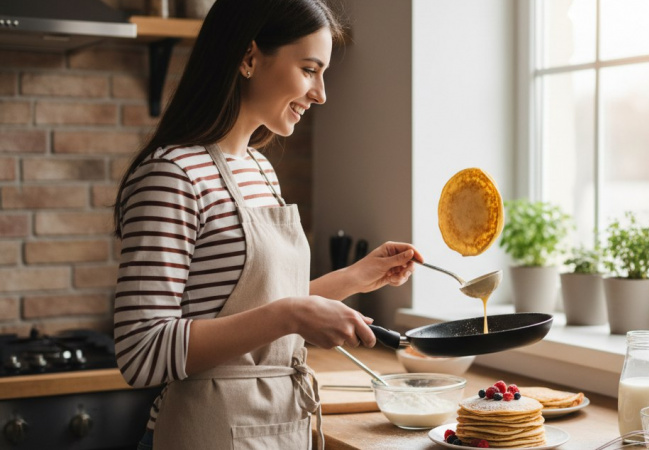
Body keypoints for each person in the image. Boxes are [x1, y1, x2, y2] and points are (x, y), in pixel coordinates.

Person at [112, 1, 422, 448]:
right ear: (249, 57)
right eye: (309, 69)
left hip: (279, 424)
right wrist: (291, 314)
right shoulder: (172, 174)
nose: (321, 93)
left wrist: (357, 276)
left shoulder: (258, 168)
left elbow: (258, 308)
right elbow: (141, 353)